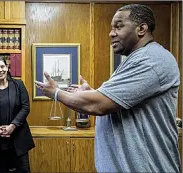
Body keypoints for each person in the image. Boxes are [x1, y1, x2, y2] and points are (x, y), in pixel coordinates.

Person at [35, 4, 180, 173]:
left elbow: (97, 105)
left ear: (141, 29)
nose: (111, 33)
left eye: (118, 27)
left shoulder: (151, 60)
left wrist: (56, 93)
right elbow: (114, 101)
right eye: (112, 28)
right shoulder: (136, 59)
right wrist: (92, 92)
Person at [0, 56, 35, 173]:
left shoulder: (18, 85)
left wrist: (12, 126)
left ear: (7, 67)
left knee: (23, 169)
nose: (0, 70)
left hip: (18, 136)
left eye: (2, 66)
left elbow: (25, 108)